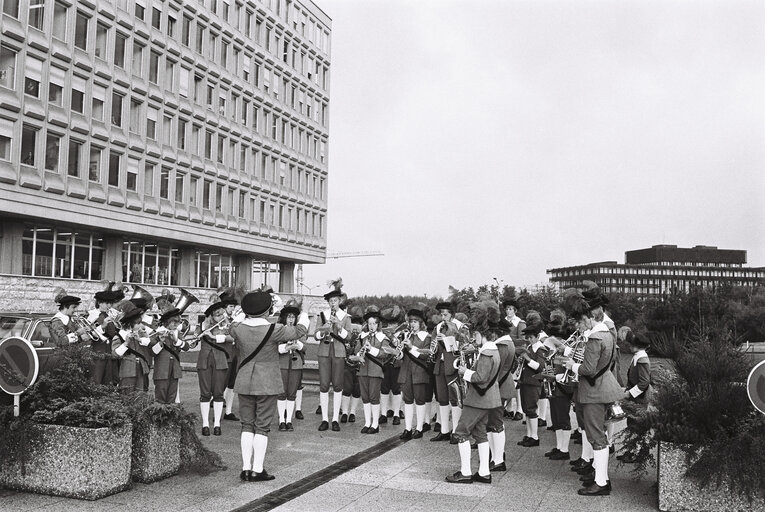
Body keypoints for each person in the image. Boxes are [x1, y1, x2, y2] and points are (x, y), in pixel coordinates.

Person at [232, 290, 310, 482]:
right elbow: (300, 331)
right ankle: (257, 469)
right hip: (266, 382)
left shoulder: (237, 329)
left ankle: (245, 468)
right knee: (262, 426)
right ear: (267, 311)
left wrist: (243, 311)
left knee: (247, 424)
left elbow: (235, 321)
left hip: (244, 381)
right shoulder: (274, 329)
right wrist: (305, 312)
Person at [562, 290, 624, 496]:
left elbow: (588, 369)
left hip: (593, 392)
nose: (580, 326)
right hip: (603, 387)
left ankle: (601, 482)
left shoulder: (596, 338)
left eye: (580, 321)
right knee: (600, 436)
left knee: (596, 437)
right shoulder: (607, 334)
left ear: (589, 318)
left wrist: (572, 365)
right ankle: (601, 476)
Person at [446, 304, 501, 485]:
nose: (473, 338)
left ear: (481, 334)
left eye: (475, 335)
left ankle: (465, 472)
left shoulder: (486, 353)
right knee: (480, 434)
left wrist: (464, 372)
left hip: (477, 400)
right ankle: (484, 472)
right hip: (488, 400)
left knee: (461, 432)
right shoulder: (494, 351)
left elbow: (480, 377)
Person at [313, 278, 351, 432]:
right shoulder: (322, 315)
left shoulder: (345, 317)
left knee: (337, 385)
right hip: (324, 352)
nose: (333, 303)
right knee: (323, 385)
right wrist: (324, 329)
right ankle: (324, 419)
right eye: (330, 301)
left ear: (339, 301)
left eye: (335, 300)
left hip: (338, 352)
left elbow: (348, 337)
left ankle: (335, 418)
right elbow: (315, 335)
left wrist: (338, 325)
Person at [351, 306, 391, 434]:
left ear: (378, 325)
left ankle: (375, 424)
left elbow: (384, 354)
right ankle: (367, 422)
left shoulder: (383, 338)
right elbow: (356, 351)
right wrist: (359, 357)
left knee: (374, 397)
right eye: (369, 324)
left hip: (375, 371)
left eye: (374, 324)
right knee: (365, 397)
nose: (371, 326)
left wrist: (370, 349)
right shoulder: (363, 337)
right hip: (363, 370)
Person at [197, 301, 233, 436]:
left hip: (220, 361)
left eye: (221, 315)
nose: (221, 318)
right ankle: (205, 424)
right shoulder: (202, 325)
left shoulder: (226, 327)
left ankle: (217, 423)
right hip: (204, 361)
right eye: (218, 316)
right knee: (205, 393)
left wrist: (214, 336)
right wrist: (201, 333)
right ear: (211, 316)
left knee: (218, 393)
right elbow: (194, 340)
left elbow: (232, 338)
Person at [396, 308, 433, 440]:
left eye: (415, 322)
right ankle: (407, 428)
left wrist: (411, 347)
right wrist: (398, 352)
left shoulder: (427, 337)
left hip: (419, 372)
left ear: (421, 323)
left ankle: (419, 428)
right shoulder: (407, 335)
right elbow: (401, 357)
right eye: (411, 322)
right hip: (406, 371)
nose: (412, 324)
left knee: (420, 400)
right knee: (408, 401)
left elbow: (426, 355)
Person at [431, 302, 466, 443]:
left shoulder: (459, 326)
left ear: (452, 314)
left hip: (453, 364)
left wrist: (445, 341)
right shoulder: (438, 327)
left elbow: (462, 346)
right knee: (442, 398)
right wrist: (433, 346)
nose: (443, 317)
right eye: (441, 314)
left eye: (446, 314)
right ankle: (444, 430)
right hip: (440, 364)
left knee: (454, 398)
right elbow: (432, 345)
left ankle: (456, 431)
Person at [617, 332, 652, 463]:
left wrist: (630, 393)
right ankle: (633, 450)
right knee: (632, 424)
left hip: (640, 398)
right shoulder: (638, 356)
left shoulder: (642, 359)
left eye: (631, 345)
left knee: (637, 425)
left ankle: (637, 453)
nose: (629, 347)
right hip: (636, 397)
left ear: (637, 346)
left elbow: (644, 382)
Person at [516, 312, 548, 448]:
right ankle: (529, 434)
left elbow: (540, 367)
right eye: (527, 338)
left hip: (533, 382)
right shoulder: (530, 347)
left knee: (531, 409)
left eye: (531, 337)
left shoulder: (540, 349)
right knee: (526, 409)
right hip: (525, 381)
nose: (529, 340)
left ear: (537, 337)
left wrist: (528, 359)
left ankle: (534, 436)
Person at [151, 299, 191, 404]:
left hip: (174, 371)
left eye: (177, 323)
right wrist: (161, 342)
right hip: (161, 370)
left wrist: (177, 341)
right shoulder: (157, 333)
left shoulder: (177, 333)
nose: (176, 325)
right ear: (167, 322)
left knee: (172, 397)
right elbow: (152, 352)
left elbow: (186, 347)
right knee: (160, 397)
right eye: (174, 322)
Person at [488, 320, 515, 471]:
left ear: (497, 332)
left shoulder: (502, 345)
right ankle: (496, 456)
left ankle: (498, 460)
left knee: (496, 423)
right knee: (494, 422)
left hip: (499, 386)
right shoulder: (506, 343)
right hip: (502, 385)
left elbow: (495, 368)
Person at [276, 299, 306, 432]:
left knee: (292, 393)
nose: (291, 320)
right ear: (284, 318)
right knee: (282, 392)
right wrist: (286, 347)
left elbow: (305, 347)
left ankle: (289, 420)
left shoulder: (298, 330)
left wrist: (297, 344)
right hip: (282, 363)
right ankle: (281, 420)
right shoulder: (279, 330)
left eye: (293, 317)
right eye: (289, 317)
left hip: (296, 363)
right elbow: (274, 348)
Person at [112, 302, 154, 394]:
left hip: (141, 368)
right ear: (130, 324)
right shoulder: (120, 335)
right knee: (127, 394)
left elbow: (150, 343)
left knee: (140, 394)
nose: (140, 326)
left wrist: (141, 338)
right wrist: (126, 343)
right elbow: (114, 354)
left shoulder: (139, 333)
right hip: (127, 370)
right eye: (138, 324)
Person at [87, 283, 121, 385]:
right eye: (107, 303)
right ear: (100, 303)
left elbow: (113, 332)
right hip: (97, 350)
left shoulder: (109, 314)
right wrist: (103, 326)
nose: (109, 306)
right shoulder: (92, 315)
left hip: (108, 350)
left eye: (110, 303)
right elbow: (90, 334)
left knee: (108, 378)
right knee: (97, 377)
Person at [220, 287, 242, 421]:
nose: (232, 309)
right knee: (222, 380)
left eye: (233, 307)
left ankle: (228, 411)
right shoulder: (220, 319)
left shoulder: (235, 318)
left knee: (232, 382)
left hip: (235, 352)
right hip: (224, 352)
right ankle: (217, 403)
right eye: (229, 306)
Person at [502, 299, 526, 421]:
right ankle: (509, 409)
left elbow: (522, 341)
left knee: (516, 384)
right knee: (506, 382)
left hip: (516, 355)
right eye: (506, 309)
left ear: (515, 310)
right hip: (504, 355)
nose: (508, 311)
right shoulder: (503, 322)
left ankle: (519, 409)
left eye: (510, 309)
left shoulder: (520, 323)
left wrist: (516, 350)